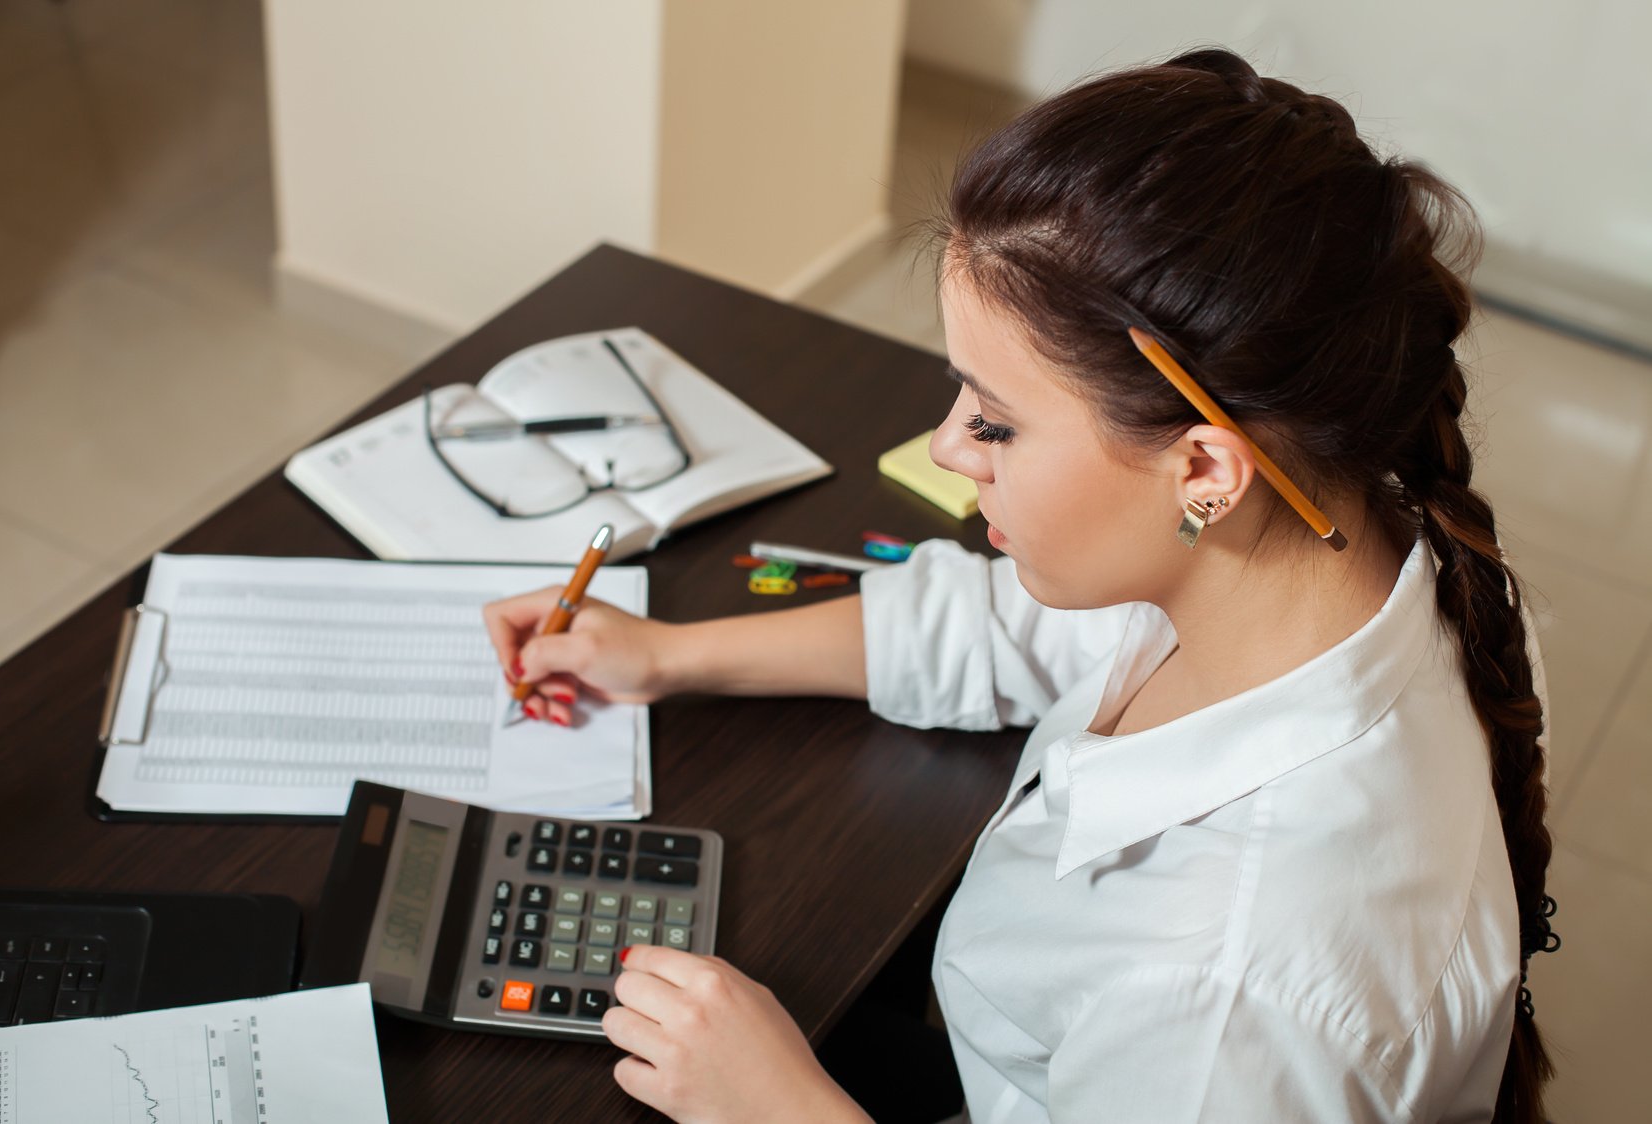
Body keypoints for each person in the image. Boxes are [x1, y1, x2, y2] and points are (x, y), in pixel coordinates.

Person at [483, 48, 1557, 1123]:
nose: (948, 446)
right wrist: (674, 653)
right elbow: (1011, 628)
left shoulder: (1223, 998)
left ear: (1201, 470)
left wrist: (776, 1105)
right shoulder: (1337, 542)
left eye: (993, 418)